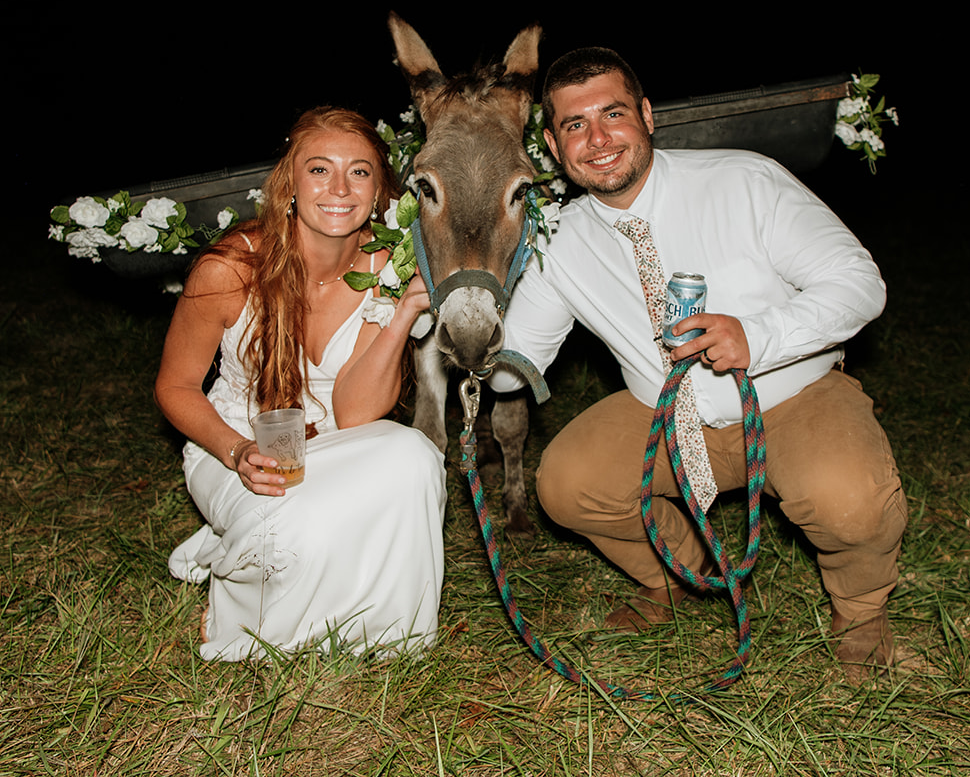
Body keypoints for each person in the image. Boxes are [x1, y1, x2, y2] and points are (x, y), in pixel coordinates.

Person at [490, 48, 907, 682]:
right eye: (575, 125)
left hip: (790, 394)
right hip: (664, 412)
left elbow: (858, 283)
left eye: (614, 113)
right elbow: (509, 367)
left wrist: (759, 336)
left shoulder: (744, 180)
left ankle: (862, 613)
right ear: (552, 143)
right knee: (567, 484)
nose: (598, 139)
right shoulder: (558, 238)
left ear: (648, 116)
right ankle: (676, 579)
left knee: (851, 503)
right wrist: (452, 308)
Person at [157, 106, 445, 660]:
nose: (339, 188)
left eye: (359, 172)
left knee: (415, 456)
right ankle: (239, 602)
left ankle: (388, 640)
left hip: (341, 441)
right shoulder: (229, 269)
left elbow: (358, 414)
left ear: (380, 189)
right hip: (237, 446)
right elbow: (174, 388)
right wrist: (237, 451)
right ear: (290, 182)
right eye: (319, 170)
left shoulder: (388, 268)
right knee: (292, 537)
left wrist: (404, 309)